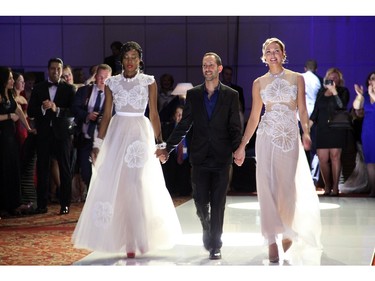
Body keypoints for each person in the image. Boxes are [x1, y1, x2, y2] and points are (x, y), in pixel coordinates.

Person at [72, 41, 181, 258]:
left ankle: (137, 238)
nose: (130, 61)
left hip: (140, 136)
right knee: (119, 185)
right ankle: (123, 238)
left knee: (137, 183)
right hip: (116, 134)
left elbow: (154, 114)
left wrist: (160, 145)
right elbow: (107, 113)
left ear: (140, 60)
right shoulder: (112, 82)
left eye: (134, 57)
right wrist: (97, 144)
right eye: (126, 57)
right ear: (121, 60)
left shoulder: (149, 82)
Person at [233, 38, 322, 264]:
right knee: (266, 185)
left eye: (276, 51)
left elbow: (302, 109)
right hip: (266, 136)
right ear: (264, 56)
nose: (272, 54)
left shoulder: (297, 78)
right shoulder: (258, 83)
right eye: (268, 51)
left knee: (286, 186)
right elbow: (254, 116)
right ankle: (271, 238)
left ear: (283, 54)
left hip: (290, 136)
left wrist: (307, 132)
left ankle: (287, 230)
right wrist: (243, 145)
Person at [156, 52, 243, 260]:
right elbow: (184, 125)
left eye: (211, 65)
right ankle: (206, 226)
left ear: (219, 68)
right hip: (200, 157)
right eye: (204, 65)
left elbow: (234, 127)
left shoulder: (231, 95)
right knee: (200, 201)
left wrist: (237, 150)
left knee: (218, 202)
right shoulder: (193, 94)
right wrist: (168, 148)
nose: (207, 68)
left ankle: (216, 243)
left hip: (222, 158)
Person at [27, 58, 76, 215]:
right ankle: (42, 205)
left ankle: (65, 204)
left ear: (62, 71)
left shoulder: (69, 89)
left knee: (65, 169)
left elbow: (73, 112)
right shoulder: (39, 88)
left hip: (62, 134)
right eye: (53, 68)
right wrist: (42, 107)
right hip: (44, 135)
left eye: (58, 69)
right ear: (48, 70)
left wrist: (57, 109)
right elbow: (30, 112)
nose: (55, 71)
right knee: (42, 169)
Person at [72, 63, 112, 195]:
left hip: (103, 139)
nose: (102, 80)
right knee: (86, 170)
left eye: (106, 77)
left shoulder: (113, 95)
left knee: (103, 170)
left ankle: (102, 196)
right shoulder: (84, 91)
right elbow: (74, 108)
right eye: (100, 76)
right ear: (95, 77)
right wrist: (87, 115)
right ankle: (91, 196)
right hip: (85, 136)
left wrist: (103, 119)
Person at [0, 67, 35, 217]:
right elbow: (11, 114)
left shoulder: (9, 96)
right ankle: (3, 206)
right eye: (9, 78)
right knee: (3, 171)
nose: (12, 81)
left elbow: (19, 111)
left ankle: (14, 204)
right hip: (1, 138)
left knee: (13, 170)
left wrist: (28, 128)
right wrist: (8, 116)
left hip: (10, 139)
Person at [310, 67, 350, 196]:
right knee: (322, 158)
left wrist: (334, 92)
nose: (332, 79)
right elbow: (316, 111)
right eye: (330, 77)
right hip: (322, 129)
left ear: (339, 80)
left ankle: (335, 187)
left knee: (335, 156)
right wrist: (307, 127)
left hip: (336, 129)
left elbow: (341, 106)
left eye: (335, 77)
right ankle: (327, 185)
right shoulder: (321, 92)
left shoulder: (343, 91)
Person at [161, 104, 192, 196]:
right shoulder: (167, 128)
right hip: (172, 158)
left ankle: (185, 190)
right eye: (177, 114)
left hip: (187, 159)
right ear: (174, 115)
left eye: (181, 114)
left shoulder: (191, 128)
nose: (179, 117)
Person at [353, 71, 375, 197]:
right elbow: (356, 107)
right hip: (368, 131)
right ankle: (373, 189)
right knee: (371, 162)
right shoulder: (365, 96)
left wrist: (372, 94)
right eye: (372, 79)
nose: (373, 81)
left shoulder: (371, 94)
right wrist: (360, 96)